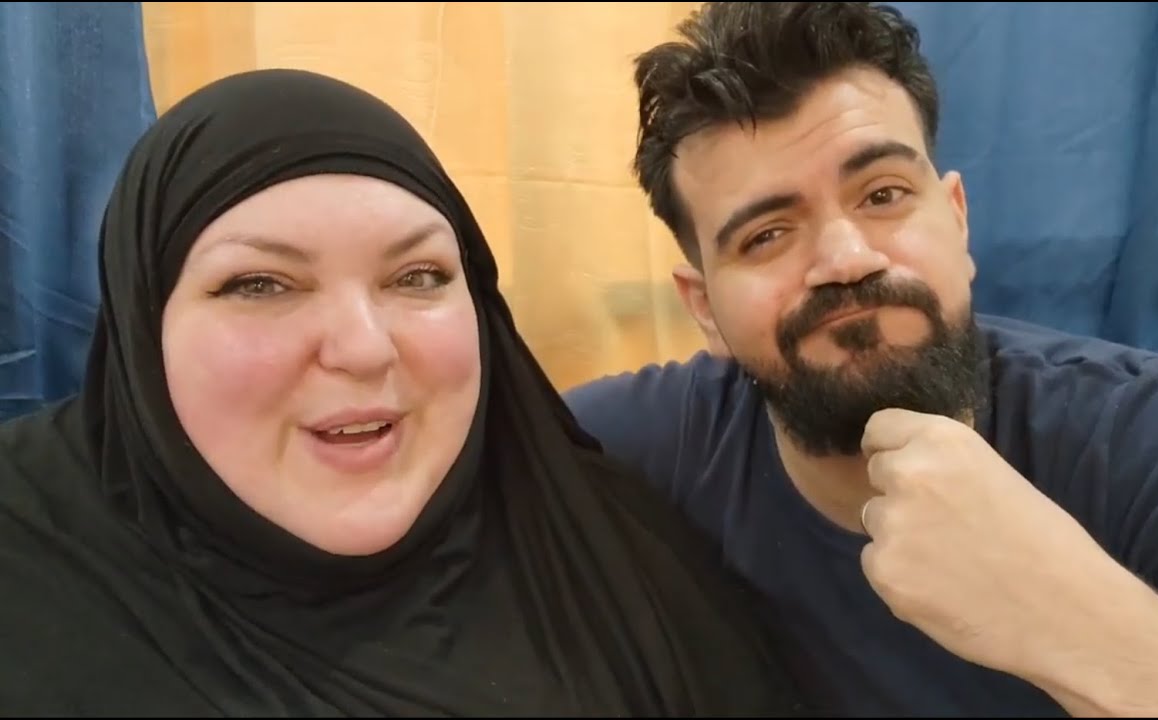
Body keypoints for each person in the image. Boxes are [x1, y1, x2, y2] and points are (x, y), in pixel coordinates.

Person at [0, 67, 812, 717]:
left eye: (418, 276)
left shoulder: (620, 559)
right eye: (260, 284)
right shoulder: (31, 571)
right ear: (143, 328)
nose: (362, 347)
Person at [563, 2, 1158, 716]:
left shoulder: (1148, 438)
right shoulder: (637, 448)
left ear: (957, 219)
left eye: (883, 195)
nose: (847, 259)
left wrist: (1072, 618)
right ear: (704, 308)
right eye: (767, 236)